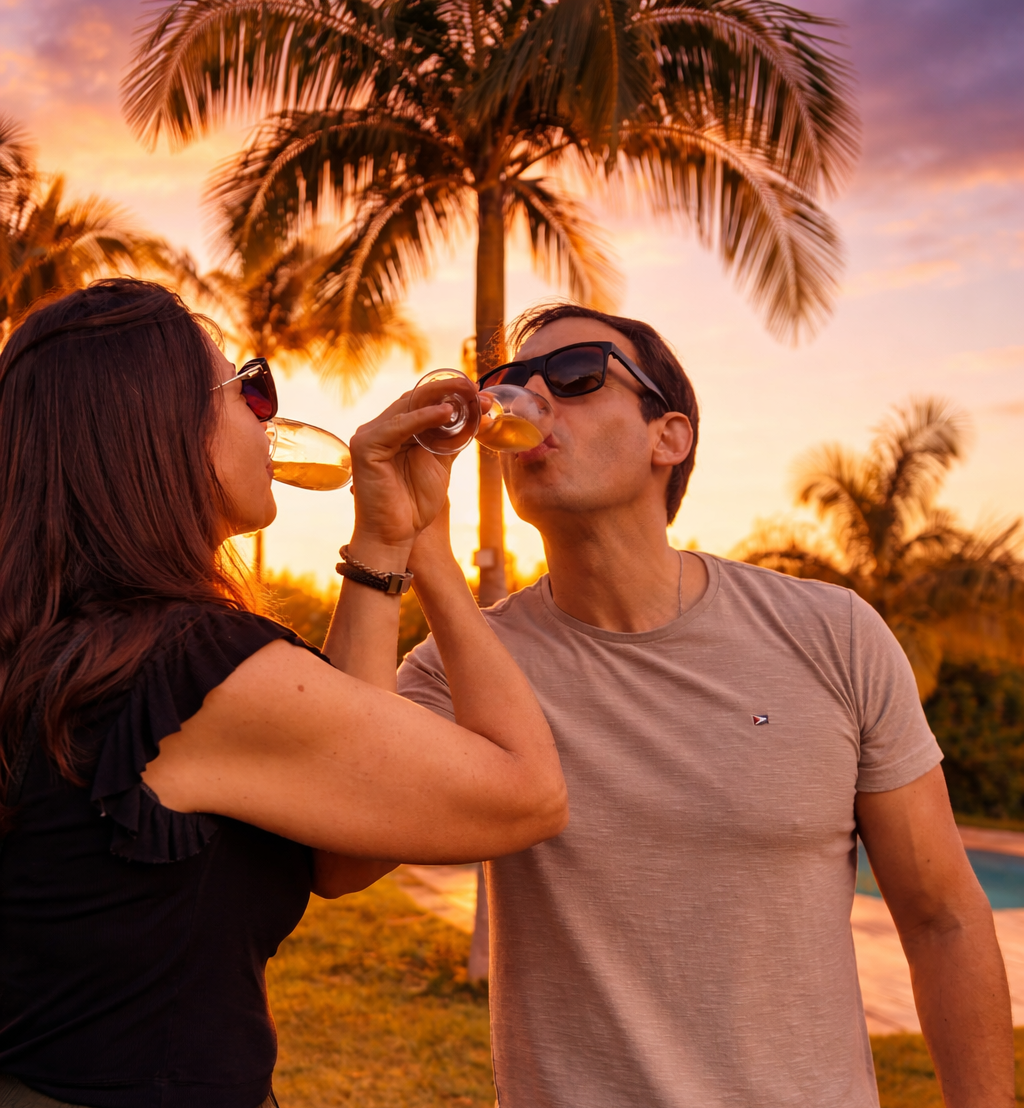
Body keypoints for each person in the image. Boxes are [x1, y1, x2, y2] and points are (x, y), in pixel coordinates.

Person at [389, 303, 1013, 1108]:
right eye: (506, 384)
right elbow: (342, 832)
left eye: (573, 375)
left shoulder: (832, 635)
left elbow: (944, 919)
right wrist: (406, 544)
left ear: (669, 437)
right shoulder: (457, 668)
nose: (527, 399)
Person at [0, 279, 567, 1108]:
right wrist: (433, 555)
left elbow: (344, 849)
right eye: (249, 386)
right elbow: (527, 796)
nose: (267, 415)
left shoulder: (68, 649)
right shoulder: (188, 667)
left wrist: (382, 538)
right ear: (156, 426)